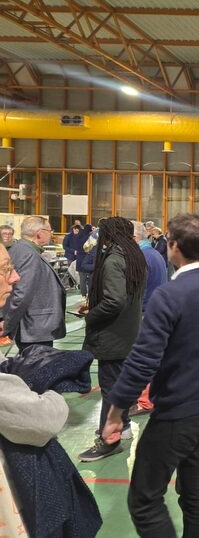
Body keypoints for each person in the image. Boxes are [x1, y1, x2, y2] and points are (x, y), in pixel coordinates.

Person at [102, 213, 199, 538]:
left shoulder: (169, 295)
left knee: (144, 497)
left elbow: (142, 360)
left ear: (173, 246)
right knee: (194, 491)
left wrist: (116, 412)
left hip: (178, 414)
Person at [0, 242, 70, 534]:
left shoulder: (27, 253)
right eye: (5, 270)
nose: (13, 277)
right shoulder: (27, 254)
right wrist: (50, 392)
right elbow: (41, 418)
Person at [78, 216, 147, 462]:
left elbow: (114, 301)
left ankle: (108, 440)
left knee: (110, 389)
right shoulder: (134, 256)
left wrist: (91, 315)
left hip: (112, 335)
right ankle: (123, 425)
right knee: (119, 384)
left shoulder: (114, 259)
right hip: (128, 332)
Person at [0, 216, 65, 351]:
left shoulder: (25, 249)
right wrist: (7, 326)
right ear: (39, 233)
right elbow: (21, 293)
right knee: (37, 368)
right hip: (35, 328)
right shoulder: (27, 253)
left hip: (36, 326)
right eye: (49, 230)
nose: (51, 233)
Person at [128, 220, 169, 418]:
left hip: (144, 313)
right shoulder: (153, 253)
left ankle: (145, 401)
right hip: (154, 311)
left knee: (144, 359)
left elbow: (137, 290)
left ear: (134, 238)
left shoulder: (141, 256)